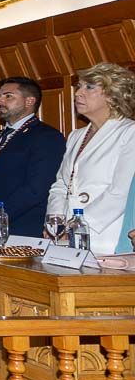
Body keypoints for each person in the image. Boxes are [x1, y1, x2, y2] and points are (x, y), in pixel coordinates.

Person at [46, 63, 135, 254]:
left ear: (113, 95)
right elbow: (61, 184)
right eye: (79, 86)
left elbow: (120, 192)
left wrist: (77, 226)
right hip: (66, 239)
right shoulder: (76, 136)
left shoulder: (129, 132)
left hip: (105, 237)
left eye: (89, 87)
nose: (78, 93)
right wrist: (56, 221)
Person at [0, 77, 65, 238]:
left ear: (29, 101)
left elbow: (36, 188)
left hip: (22, 231)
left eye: (8, 96)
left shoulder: (47, 136)